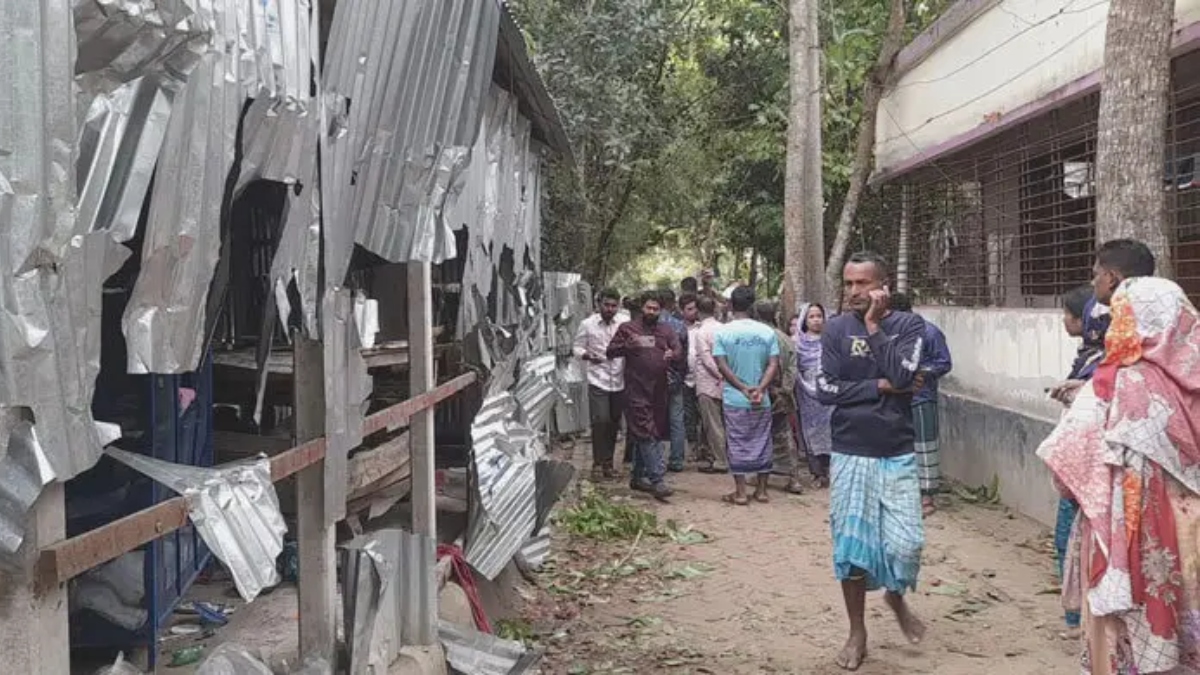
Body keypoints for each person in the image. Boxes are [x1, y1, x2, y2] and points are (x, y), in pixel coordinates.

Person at [1036, 276, 1200, 674]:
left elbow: (1065, 471)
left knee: (1124, 636)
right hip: (1191, 536)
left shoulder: (1109, 386)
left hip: (1126, 533)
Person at [817, 251, 927, 671]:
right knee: (851, 549)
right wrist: (880, 385)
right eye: (848, 283)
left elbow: (905, 377)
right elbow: (825, 388)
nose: (853, 291)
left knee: (907, 544)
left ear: (884, 287)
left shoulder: (908, 326)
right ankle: (857, 631)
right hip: (850, 449)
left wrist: (875, 328)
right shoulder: (834, 329)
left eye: (862, 283)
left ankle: (895, 596)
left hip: (897, 450)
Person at [1047, 284, 1110, 636]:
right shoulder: (1089, 358)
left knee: (1077, 543)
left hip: (1091, 472)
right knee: (1070, 543)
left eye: (1068, 314)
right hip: (1078, 468)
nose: (1064, 320)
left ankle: (1084, 621)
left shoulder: (1108, 364)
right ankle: (1079, 618)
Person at [1052, 239, 1157, 406]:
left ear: (1111, 278)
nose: (1093, 282)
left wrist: (1089, 395)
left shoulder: (1133, 326)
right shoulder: (1153, 314)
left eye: (1096, 275)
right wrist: (1088, 387)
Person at [606, 291, 682, 501]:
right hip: (635, 390)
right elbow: (610, 351)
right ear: (642, 308)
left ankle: (638, 477)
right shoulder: (628, 328)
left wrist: (673, 353)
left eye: (656, 309)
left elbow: (678, 349)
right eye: (649, 308)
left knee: (650, 431)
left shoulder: (666, 330)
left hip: (659, 391)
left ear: (661, 311)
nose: (652, 312)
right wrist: (627, 346)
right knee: (646, 432)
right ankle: (657, 479)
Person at [713, 286, 780, 505]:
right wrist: (760, 388)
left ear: (731, 305)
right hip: (762, 398)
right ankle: (761, 490)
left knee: (737, 442)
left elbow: (721, 365)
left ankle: (741, 492)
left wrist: (742, 388)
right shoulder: (767, 332)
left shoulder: (723, 332)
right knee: (763, 440)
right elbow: (773, 364)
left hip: (735, 398)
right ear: (753, 306)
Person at [889, 293, 953, 517]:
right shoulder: (889, 332)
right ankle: (902, 492)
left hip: (921, 396)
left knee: (925, 445)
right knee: (898, 445)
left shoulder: (929, 332)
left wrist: (921, 373)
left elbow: (944, 362)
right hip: (893, 398)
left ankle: (927, 496)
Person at [572, 289, 628, 481]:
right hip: (598, 379)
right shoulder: (587, 324)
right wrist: (587, 355)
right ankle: (597, 462)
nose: (610, 309)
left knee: (613, 423)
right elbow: (577, 347)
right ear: (599, 304)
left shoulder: (624, 323)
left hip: (619, 379)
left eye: (614, 306)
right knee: (600, 420)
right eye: (606, 305)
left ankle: (607, 463)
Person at [755, 301, 804, 494]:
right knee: (785, 435)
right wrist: (785, 390)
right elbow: (792, 369)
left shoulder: (758, 338)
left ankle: (761, 477)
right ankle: (793, 478)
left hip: (763, 393)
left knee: (761, 435)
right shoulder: (785, 339)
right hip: (782, 394)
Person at [795, 302, 833, 487]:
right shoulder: (797, 343)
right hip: (806, 395)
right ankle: (817, 473)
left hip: (829, 393)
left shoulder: (831, 340)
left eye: (819, 316)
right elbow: (795, 369)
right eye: (812, 317)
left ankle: (829, 470)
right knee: (810, 432)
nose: (816, 320)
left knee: (830, 431)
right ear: (804, 320)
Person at [692, 296, 728, 473]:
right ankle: (719, 456)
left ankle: (721, 461)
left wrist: (719, 375)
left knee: (713, 424)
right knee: (724, 422)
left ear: (698, 311)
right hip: (728, 382)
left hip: (708, 382)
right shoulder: (724, 328)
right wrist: (727, 376)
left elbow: (707, 359)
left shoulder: (701, 332)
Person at [658, 289, 690, 472]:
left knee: (655, 418)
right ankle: (677, 460)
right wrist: (681, 375)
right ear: (672, 303)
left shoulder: (651, 324)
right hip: (675, 378)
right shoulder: (680, 326)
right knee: (677, 419)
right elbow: (684, 356)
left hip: (655, 378)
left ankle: (656, 460)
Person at [680, 293, 702, 459]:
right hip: (684, 379)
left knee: (704, 414)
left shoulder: (702, 328)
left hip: (703, 378)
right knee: (688, 415)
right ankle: (692, 447)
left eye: (695, 308)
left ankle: (705, 448)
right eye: (689, 309)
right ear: (682, 311)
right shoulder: (677, 329)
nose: (694, 311)